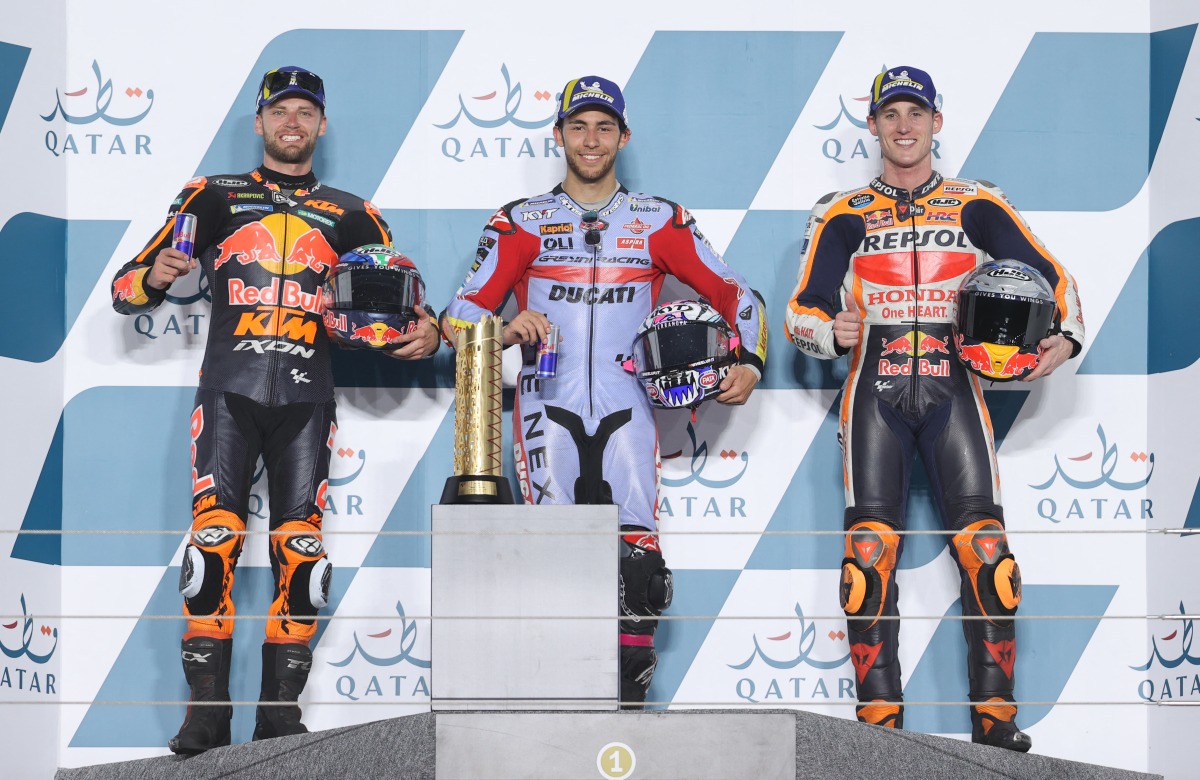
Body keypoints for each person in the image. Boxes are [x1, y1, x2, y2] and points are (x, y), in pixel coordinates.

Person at [111, 66, 440, 754]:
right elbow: (126, 288)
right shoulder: (211, 195)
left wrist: (430, 332)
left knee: (304, 556)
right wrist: (153, 278)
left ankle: (278, 715)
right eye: (281, 111)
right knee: (213, 544)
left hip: (307, 399)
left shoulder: (353, 213)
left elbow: (406, 306)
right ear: (259, 122)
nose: (293, 122)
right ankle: (206, 713)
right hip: (229, 392)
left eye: (305, 112)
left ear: (322, 125)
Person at [441, 76, 768, 706]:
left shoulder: (660, 219)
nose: (591, 140)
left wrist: (749, 361)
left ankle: (629, 710)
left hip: (629, 405)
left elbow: (735, 293)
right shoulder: (521, 221)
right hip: (546, 402)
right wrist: (503, 330)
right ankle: (562, 706)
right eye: (579, 127)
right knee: (554, 556)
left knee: (638, 560)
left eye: (604, 128)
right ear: (559, 134)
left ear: (624, 136)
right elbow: (462, 311)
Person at [785, 66, 1084, 751]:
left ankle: (996, 723)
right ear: (873, 125)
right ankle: (878, 733)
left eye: (915, 113)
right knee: (868, 559)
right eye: (891, 114)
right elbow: (805, 305)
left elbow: (1052, 276)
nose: (904, 126)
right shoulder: (842, 210)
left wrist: (1065, 337)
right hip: (874, 393)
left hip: (957, 389)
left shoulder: (977, 203)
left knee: (988, 553)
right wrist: (828, 330)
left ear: (936, 123)